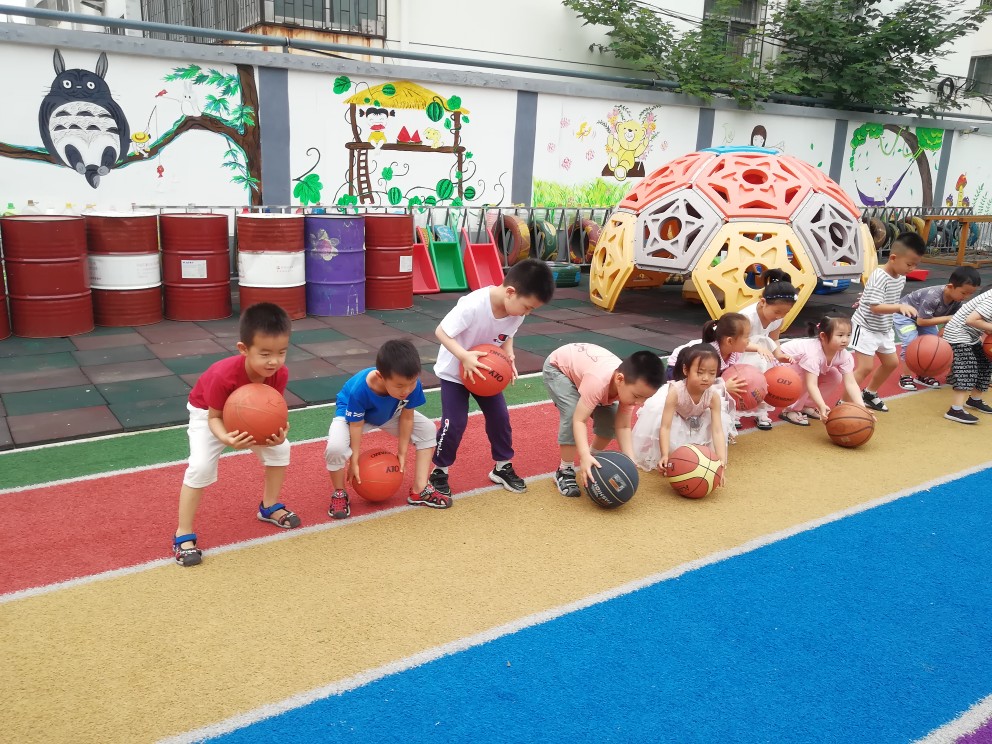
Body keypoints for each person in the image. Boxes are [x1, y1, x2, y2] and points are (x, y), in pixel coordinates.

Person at [173, 302, 295, 567]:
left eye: (281, 352)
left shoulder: (279, 373)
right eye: (265, 354)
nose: (274, 361)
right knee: (200, 466)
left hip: (249, 414)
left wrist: (280, 431)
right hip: (208, 413)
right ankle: (183, 533)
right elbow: (214, 417)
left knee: (281, 448)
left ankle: (269, 506)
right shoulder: (222, 375)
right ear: (244, 349)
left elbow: (272, 410)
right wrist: (226, 439)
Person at [430, 258, 555, 498]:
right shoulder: (473, 305)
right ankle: (439, 470)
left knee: (500, 417)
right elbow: (441, 332)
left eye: (532, 309)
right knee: (454, 423)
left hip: (486, 373)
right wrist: (464, 356)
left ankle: (502, 466)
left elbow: (507, 334)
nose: (527, 312)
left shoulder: (516, 311)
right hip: (456, 371)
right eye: (527, 307)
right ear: (510, 292)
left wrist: (509, 354)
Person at [325, 339, 441, 518]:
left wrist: (402, 452)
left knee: (427, 429)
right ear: (380, 377)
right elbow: (356, 425)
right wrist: (354, 461)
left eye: (411, 383)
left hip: (389, 412)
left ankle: (420, 489)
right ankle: (339, 492)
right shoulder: (360, 389)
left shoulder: (411, 384)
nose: (407, 390)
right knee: (335, 448)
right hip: (352, 415)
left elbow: (407, 417)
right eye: (400, 386)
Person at [543, 344, 665, 497]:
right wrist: (584, 455)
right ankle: (564, 470)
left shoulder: (629, 386)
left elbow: (623, 426)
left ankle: (593, 460)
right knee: (572, 412)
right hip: (558, 369)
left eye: (646, 398)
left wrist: (630, 459)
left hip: (587, 372)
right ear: (620, 379)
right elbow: (579, 420)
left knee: (610, 420)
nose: (639, 403)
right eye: (637, 396)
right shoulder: (598, 382)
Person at [850, 231, 927, 412]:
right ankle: (844, 402)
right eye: (909, 264)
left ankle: (869, 394)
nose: (912, 269)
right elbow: (875, 307)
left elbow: (882, 299)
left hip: (884, 327)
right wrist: (898, 307)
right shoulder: (879, 276)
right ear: (893, 258)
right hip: (866, 327)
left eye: (915, 265)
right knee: (865, 368)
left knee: (891, 363)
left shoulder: (900, 276)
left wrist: (873, 300)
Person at [632, 344, 731, 477]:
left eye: (712, 373)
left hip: (697, 419)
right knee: (675, 451)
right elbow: (665, 427)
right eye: (700, 372)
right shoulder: (675, 392)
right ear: (686, 370)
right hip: (675, 418)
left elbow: (717, 431)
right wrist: (665, 455)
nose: (706, 378)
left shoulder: (713, 396)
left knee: (705, 446)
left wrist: (721, 461)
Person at [895, 266, 981, 390]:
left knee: (932, 345)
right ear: (950, 286)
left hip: (927, 318)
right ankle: (906, 376)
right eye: (964, 292)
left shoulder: (957, 300)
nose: (966, 296)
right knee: (911, 343)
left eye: (970, 293)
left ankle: (923, 374)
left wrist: (944, 329)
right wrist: (947, 319)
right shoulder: (933, 297)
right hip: (905, 316)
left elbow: (954, 318)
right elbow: (921, 321)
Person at [778, 315, 870, 426]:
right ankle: (790, 409)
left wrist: (862, 408)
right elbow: (811, 384)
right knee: (806, 376)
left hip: (798, 367)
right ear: (823, 336)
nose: (845, 340)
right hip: (779, 366)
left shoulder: (844, 355)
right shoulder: (813, 354)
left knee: (835, 376)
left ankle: (807, 405)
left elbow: (851, 383)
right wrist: (821, 405)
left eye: (848, 335)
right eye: (840, 335)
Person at [737, 269, 798, 430]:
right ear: (763, 302)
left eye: (785, 312)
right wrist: (758, 348)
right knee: (745, 380)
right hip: (740, 353)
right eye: (777, 311)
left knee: (766, 379)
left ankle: (760, 412)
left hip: (760, 354)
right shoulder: (747, 317)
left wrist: (779, 354)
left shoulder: (778, 319)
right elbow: (735, 343)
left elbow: (774, 338)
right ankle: (735, 412)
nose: (780, 316)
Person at [940, 288, 992, 424]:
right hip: (957, 333)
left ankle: (974, 400)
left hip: (972, 335)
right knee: (967, 367)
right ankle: (955, 410)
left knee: (985, 363)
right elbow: (971, 320)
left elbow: (984, 322)